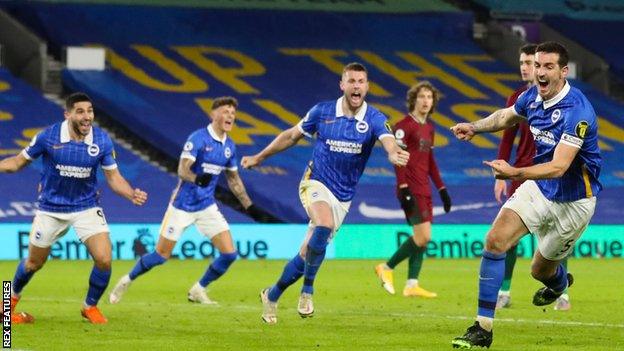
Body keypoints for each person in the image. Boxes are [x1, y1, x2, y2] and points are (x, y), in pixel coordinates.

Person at [449, 41, 601, 348]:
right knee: (495, 241)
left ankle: (558, 284)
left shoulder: (577, 111)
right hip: (539, 189)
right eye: (537, 66)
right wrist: (475, 127)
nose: (540, 72)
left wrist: (515, 172)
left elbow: (559, 167)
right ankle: (482, 328)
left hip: (574, 202)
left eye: (548, 67)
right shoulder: (531, 96)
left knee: (539, 270)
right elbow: (506, 117)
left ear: (563, 71)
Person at [241, 62, 409, 324]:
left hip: (343, 197)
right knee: (324, 224)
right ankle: (307, 292)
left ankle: (272, 294)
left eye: (361, 81)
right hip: (315, 182)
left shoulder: (374, 117)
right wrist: (260, 156)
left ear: (367, 87)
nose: (356, 86)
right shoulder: (322, 111)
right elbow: (291, 136)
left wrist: (392, 152)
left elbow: (387, 139)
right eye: (351, 81)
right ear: (342, 85)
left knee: (307, 253)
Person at [0, 92, 148, 324]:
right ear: (67, 114)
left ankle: (89, 306)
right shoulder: (47, 137)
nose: (87, 116)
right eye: (80, 111)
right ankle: (7, 304)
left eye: (90, 111)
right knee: (33, 263)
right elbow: (17, 162)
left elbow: (114, 177)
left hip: (86, 207)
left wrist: (131, 193)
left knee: (104, 259)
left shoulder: (101, 141)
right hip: (51, 208)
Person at [109, 96, 264, 305]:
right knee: (161, 255)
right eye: (226, 111)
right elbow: (182, 170)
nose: (230, 116)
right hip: (182, 206)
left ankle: (198, 290)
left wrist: (249, 206)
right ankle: (126, 281)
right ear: (213, 115)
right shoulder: (198, 138)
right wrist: (197, 178)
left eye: (233, 113)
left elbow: (234, 180)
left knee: (229, 254)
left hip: (206, 206)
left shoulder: (230, 147)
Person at [494, 44, 572, 312]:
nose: (526, 67)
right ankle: (504, 289)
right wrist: (500, 176)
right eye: (523, 63)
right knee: (509, 238)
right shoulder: (519, 98)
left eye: (531, 62)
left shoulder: (559, 99)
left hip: (549, 174)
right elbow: (507, 137)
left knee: (554, 237)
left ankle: (561, 293)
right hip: (520, 174)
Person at [374, 81, 451, 298]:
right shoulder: (403, 127)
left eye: (430, 97)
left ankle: (412, 284)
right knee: (423, 236)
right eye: (422, 97)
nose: (426, 101)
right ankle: (386, 268)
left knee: (423, 238)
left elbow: (430, 161)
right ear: (413, 100)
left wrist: (442, 189)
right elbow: (398, 158)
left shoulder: (429, 128)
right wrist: (403, 187)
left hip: (425, 188)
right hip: (411, 188)